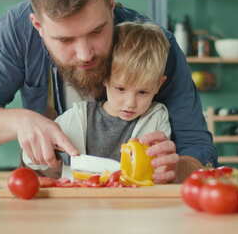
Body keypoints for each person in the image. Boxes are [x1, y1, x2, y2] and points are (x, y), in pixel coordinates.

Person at [0, 0, 217, 183]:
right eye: (65, 39)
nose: (84, 54)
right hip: (52, 192)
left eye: (96, 31)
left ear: (111, 6)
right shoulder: (17, 31)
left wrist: (177, 168)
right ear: (38, 26)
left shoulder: (154, 46)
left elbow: (198, 149)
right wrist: (20, 121)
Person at [23, 22, 173, 180]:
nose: (130, 103)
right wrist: (49, 154)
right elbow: (31, 159)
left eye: (142, 92)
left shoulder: (157, 118)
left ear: (158, 85)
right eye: (120, 89)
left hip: (131, 203)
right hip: (78, 202)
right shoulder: (78, 117)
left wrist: (161, 168)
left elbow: (159, 170)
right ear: (105, 78)